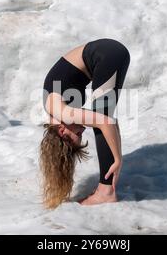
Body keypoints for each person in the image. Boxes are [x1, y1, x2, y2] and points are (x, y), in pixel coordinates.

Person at [40, 38, 130, 209]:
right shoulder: (56, 113)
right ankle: (106, 190)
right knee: (101, 118)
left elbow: (106, 121)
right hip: (106, 54)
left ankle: (106, 192)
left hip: (107, 55)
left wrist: (118, 158)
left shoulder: (60, 111)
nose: (82, 129)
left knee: (100, 118)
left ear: (61, 131)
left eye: (78, 134)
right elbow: (111, 122)